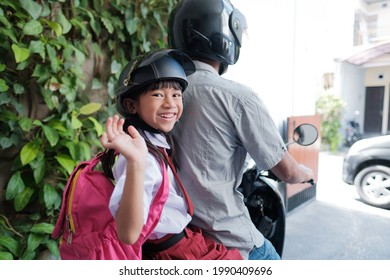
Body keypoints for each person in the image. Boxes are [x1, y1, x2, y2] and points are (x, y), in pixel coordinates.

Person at [168, 0, 315, 260]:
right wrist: (305, 173)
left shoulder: (159, 94)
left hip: (175, 236)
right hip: (226, 237)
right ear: (226, 33)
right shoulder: (237, 97)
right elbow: (287, 170)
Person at [100, 49, 242, 260]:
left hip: (184, 240)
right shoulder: (142, 157)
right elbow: (128, 234)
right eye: (158, 94)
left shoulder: (157, 143)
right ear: (131, 105)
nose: (170, 103)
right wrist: (136, 162)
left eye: (176, 95)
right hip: (173, 252)